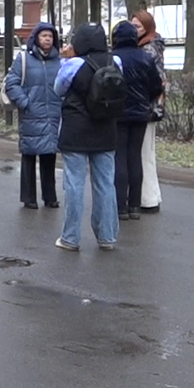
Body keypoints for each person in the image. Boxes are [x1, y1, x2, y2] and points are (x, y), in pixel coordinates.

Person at [52, 23, 123, 251]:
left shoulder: (73, 64)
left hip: (76, 130)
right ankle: (107, 236)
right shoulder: (116, 62)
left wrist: (64, 60)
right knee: (105, 184)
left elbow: (58, 89)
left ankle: (70, 237)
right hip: (106, 129)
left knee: (74, 185)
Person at [3, 21, 63, 209]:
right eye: (44, 36)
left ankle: (50, 196)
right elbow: (11, 83)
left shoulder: (59, 60)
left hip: (53, 113)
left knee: (49, 155)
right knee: (29, 155)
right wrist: (24, 102)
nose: (47, 39)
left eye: (50, 36)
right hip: (31, 113)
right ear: (36, 38)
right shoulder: (24, 59)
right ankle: (29, 198)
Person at [110, 20, 165, 221]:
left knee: (119, 157)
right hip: (140, 113)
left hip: (118, 113)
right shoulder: (144, 57)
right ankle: (134, 205)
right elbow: (156, 86)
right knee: (135, 157)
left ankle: (120, 205)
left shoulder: (113, 59)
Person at [129, 10, 167, 214]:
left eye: (138, 26)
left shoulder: (149, 49)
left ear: (147, 28)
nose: (134, 29)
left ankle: (149, 198)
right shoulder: (148, 46)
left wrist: (153, 105)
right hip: (147, 106)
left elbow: (157, 82)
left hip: (146, 107)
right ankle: (149, 196)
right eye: (132, 25)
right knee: (145, 152)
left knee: (144, 153)